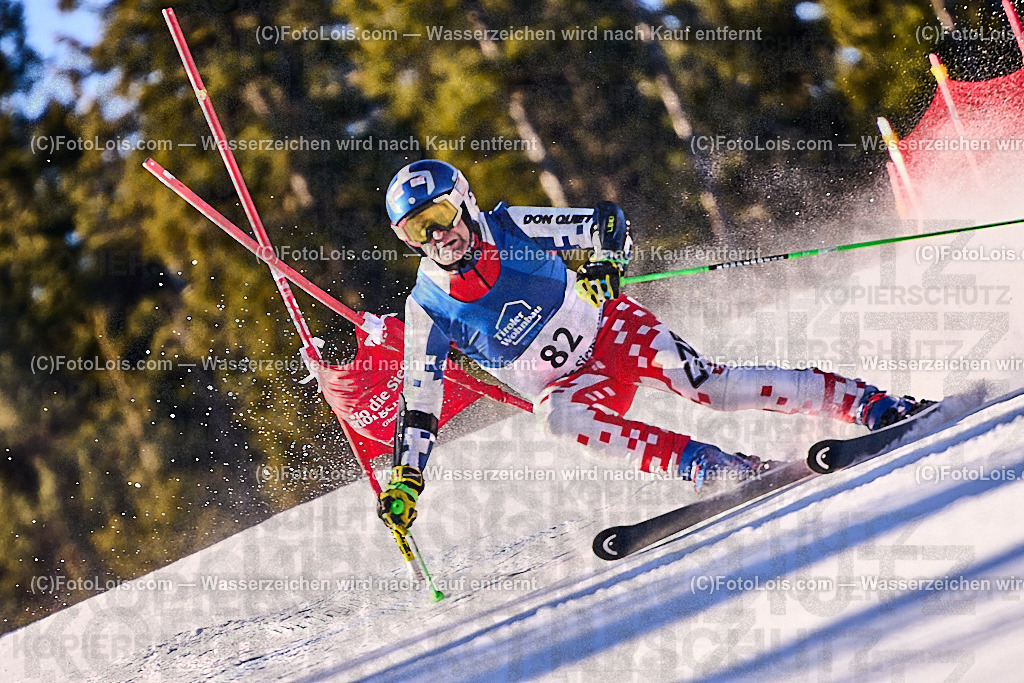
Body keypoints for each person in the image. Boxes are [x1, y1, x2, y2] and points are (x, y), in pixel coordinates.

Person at [376, 159, 929, 535]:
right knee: (560, 420)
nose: (437, 236)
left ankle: (869, 403)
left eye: (440, 217)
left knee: (707, 385)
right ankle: (713, 467)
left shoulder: (512, 226)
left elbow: (605, 223)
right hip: (571, 384)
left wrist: (606, 263)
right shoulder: (427, 308)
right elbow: (419, 405)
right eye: (417, 230)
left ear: (464, 203)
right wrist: (406, 479)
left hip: (612, 331)